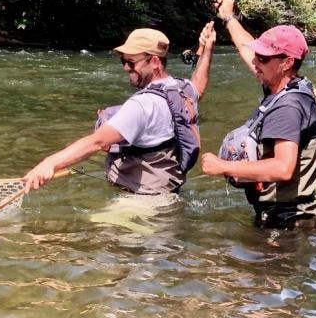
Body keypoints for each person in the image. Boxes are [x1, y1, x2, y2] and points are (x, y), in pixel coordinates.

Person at [23, 23, 216, 195]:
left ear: (155, 62)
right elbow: (199, 85)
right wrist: (207, 49)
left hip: (142, 205)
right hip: (167, 193)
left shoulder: (142, 105)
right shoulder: (181, 89)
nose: (125, 68)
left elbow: (96, 142)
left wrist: (49, 163)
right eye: (123, 61)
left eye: (131, 62)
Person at [201, 0, 316, 229]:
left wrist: (223, 166)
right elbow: (246, 49)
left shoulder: (287, 108)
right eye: (258, 55)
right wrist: (228, 17)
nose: (255, 62)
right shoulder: (289, 85)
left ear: (287, 63)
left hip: (286, 225)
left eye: (264, 58)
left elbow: (282, 167)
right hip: (286, 217)